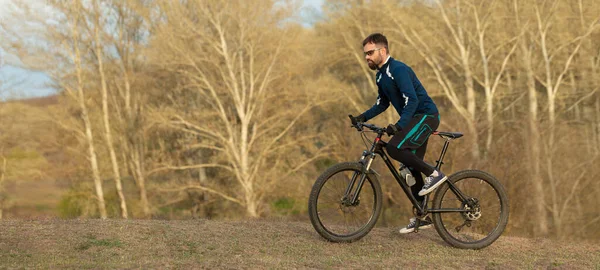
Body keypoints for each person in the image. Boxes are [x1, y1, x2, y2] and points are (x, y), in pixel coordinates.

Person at [350, 33, 447, 234]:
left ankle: (435, 174)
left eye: (369, 52)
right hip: (413, 118)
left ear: (382, 51)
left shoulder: (398, 69)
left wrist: (399, 125)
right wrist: (362, 117)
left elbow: (412, 100)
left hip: (425, 116)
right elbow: (382, 103)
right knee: (410, 168)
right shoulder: (380, 75)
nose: (366, 57)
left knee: (394, 148)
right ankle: (423, 216)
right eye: (365, 54)